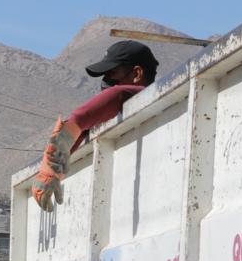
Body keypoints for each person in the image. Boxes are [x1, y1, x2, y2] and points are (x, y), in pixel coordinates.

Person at [32, 40, 159, 212]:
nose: (105, 81)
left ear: (136, 74)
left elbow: (113, 97)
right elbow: (80, 131)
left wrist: (49, 171)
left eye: (112, 74)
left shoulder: (140, 94)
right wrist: (53, 169)